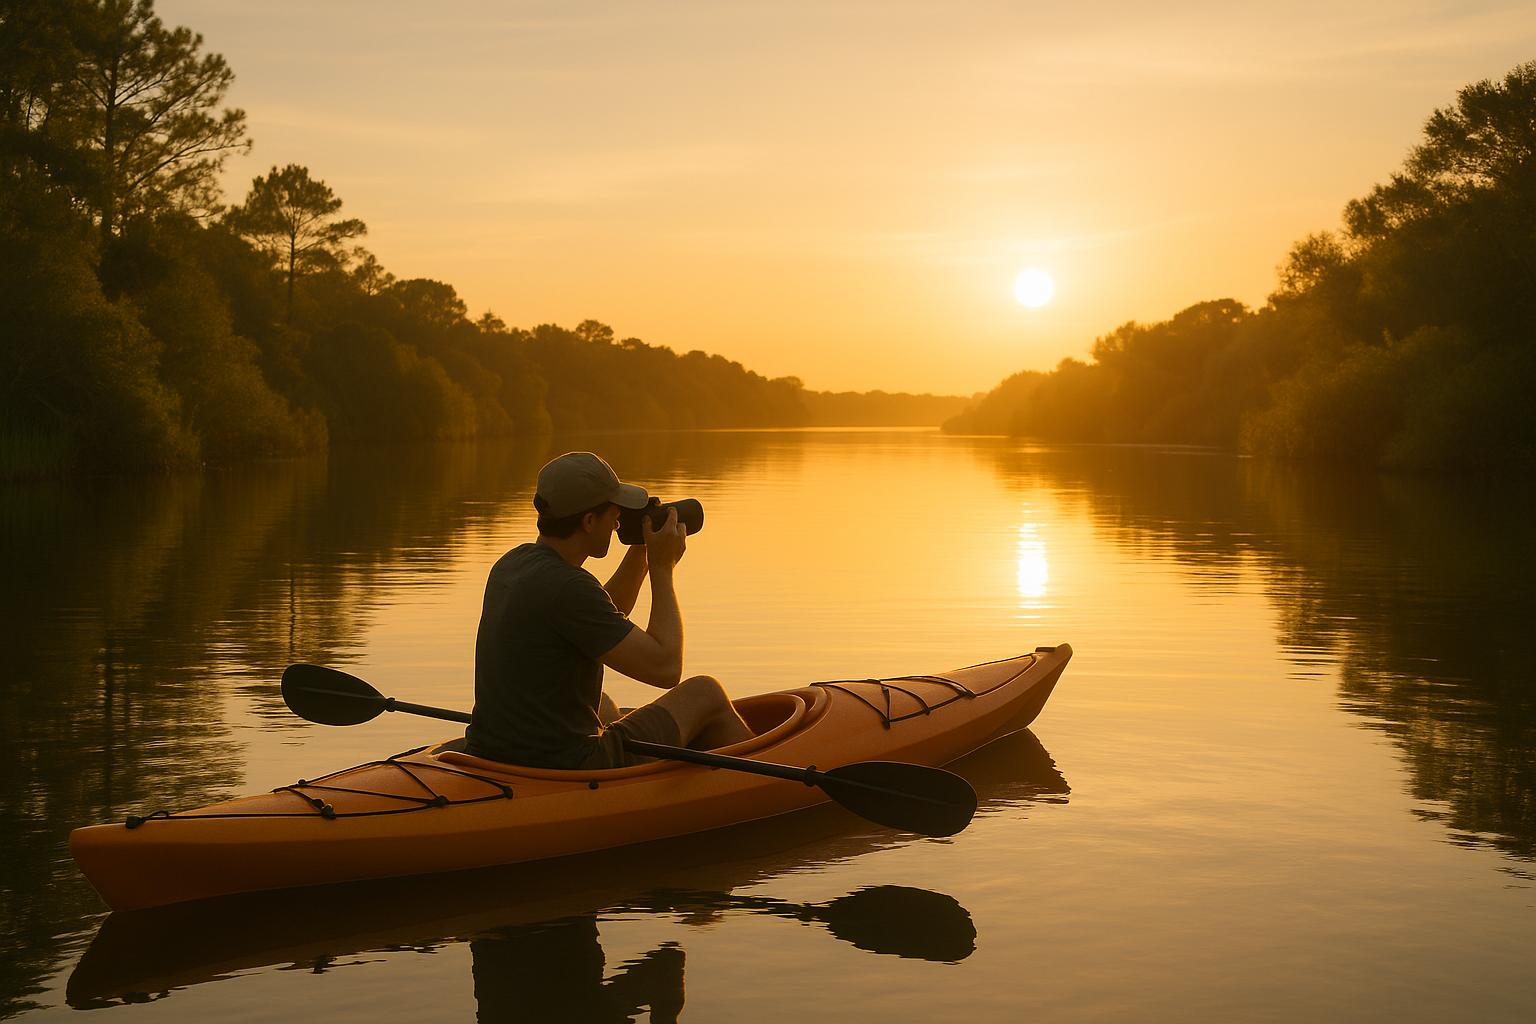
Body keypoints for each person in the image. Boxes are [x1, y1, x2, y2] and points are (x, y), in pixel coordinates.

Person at [466, 451, 752, 769]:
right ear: (589, 521)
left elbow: (599, 616)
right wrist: (663, 567)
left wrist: (642, 550)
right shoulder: (569, 586)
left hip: (497, 751)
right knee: (705, 692)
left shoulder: (513, 564)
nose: (618, 522)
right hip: (569, 763)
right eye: (614, 513)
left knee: (605, 708)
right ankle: (765, 786)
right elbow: (665, 668)